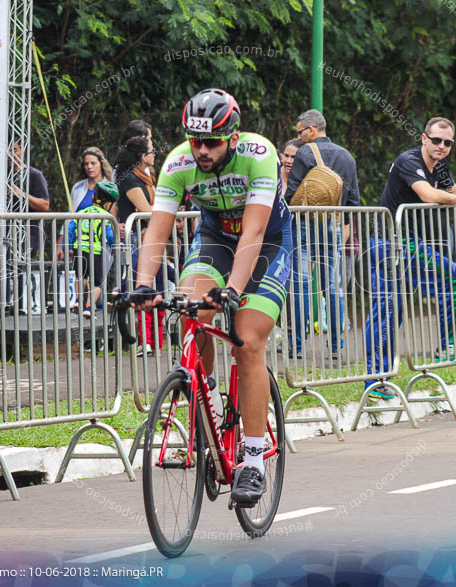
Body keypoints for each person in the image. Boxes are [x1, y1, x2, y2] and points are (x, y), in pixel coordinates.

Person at [130, 88, 292, 506]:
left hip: (268, 242)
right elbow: (157, 230)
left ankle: (253, 459)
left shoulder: (259, 155)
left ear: (233, 138)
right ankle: (210, 402)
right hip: (215, 238)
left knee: (247, 337)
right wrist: (144, 283)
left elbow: (254, 233)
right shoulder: (178, 162)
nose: (201, 150)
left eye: (211, 142)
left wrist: (234, 291)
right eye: (194, 139)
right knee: (189, 309)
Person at [368, 117, 456, 399]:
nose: (442, 146)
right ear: (424, 138)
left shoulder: (440, 164)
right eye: (436, 140)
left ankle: (377, 383)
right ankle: (450, 344)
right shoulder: (409, 160)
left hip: (405, 243)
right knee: (454, 279)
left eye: (448, 143)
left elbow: (451, 190)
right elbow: (427, 194)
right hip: (392, 243)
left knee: (391, 311)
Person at [284, 109, 361, 360]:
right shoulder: (347, 156)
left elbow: (292, 192)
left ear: (312, 130)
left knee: (302, 286)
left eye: (300, 132)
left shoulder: (306, 152)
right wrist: (344, 227)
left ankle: (297, 346)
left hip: (306, 223)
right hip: (335, 226)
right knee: (333, 287)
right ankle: (337, 347)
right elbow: (354, 201)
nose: (298, 138)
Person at [115, 136, 162, 353]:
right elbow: (145, 209)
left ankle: (153, 340)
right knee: (137, 288)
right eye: (152, 152)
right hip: (132, 241)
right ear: (143, 157)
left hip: (144, 238)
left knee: (159, 283)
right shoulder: (130, 180)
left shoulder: (145, 177)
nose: (154, 155)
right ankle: (140, 340)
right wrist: (170, 210)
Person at [60, 180, 118, 321]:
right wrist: (114, 246)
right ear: (107, 204)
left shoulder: (82, 212)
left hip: (79, 249)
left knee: (81, 276)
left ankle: (80, 303)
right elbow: (110, 235)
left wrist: (66, 246)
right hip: (95, 250)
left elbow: (69, 228)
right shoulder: (105, 216)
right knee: (97, 281)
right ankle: (89, 306)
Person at [10, 142, 50, 258]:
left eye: (14, 150)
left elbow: (45, 205)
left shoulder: (34, 175)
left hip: (28, 235)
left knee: (21, 270)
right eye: (7, 151)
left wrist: (22, 194)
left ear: (23, 151)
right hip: (4, 234)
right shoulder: (1, 175)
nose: (11, 155)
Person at [70, 147, 113, 212]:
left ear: (101, 164)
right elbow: (70, 214)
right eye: (86, 164)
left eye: (93, 163)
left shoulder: (111, 188)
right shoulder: (77, 187)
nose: (89, 167)